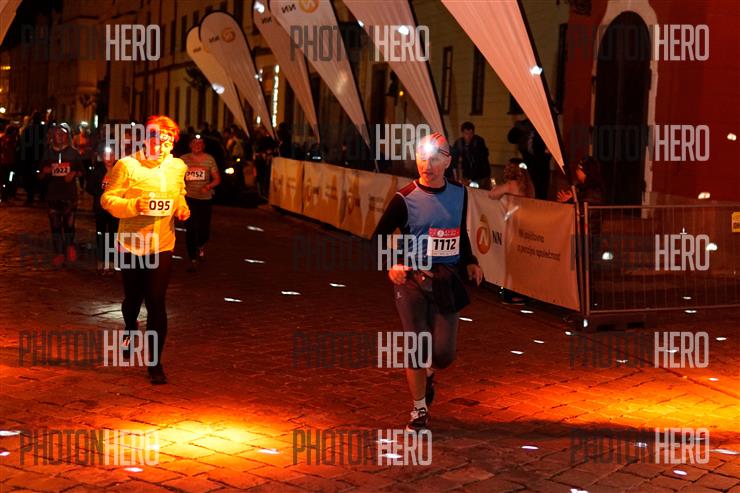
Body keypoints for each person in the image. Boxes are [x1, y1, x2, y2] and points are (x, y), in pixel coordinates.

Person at [373, 132, 483, 431]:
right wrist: (393, 264)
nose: (427, 165)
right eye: (422, 158)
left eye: (435, 159)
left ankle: (431, 373)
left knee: (444, 354)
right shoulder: (405, 198)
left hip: (447, 280)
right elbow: (378, 237)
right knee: (417, 345)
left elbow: (459, 231)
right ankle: (419, 409)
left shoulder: (460, 194)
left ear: (447, 162)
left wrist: (470, 261)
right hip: (411, 282)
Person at [101, 115, 190, 385]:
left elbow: (179, 193)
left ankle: (155, 363)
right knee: (132, 299)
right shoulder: (127, 165)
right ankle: (130, 328)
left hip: (162, 244)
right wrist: (133, 206)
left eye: (167, 141)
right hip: (131, 243)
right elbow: (107, 199)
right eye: (155, 139)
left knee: (156, 300)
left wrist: (182, 208)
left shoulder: (177, 167)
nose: (160, 145)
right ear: (146, 139)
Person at [488, 158, 535, 304]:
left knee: (513, 260)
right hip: (527, 225)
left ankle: (514, 293)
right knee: (524, 261)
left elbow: (492, 194)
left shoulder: (511, 185)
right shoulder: (528, 186)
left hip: (515, 226)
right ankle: (525, 292)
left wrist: (496, 187)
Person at [39, 123, 84, 267]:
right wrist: (44, 171)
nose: (59, 136)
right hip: (52, 194)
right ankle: (59, 253)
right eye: (57, 133)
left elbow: (82, 172)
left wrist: (74, 173)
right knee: (55, 226)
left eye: (62, 134)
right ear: (53, 136)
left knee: (69, 224)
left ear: (67, 136)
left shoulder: (73, 153)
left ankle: (70, 246)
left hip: (69, 195)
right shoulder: (48, 153)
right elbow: (39, 173)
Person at [181, 135, 220, 271]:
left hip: (204, 200)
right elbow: (177, 177)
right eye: (194, 143)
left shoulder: (209, 159)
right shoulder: (183, 159)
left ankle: (201, 245)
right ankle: (192, 259)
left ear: (203, 146)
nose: (197, 145)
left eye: (200, 143)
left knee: (204, 230)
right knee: (190, 229)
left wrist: (208, 187)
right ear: (190, 145)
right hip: (189, 198)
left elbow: (217, 179)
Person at [86, 144, 119, 274]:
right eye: (106, 155)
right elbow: (89, 188)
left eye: (112, 155)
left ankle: (112, 261)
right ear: (102, 157)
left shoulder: (119, 171)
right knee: (101, 234)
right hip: (100, 209)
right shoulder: (97, 171)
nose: (109, 158)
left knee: (113, 235)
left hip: (115, 208)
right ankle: (101, 261)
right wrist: (101, 193)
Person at [452, 122, 491, 189]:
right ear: (462, 133)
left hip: (481, 175)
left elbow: (481, 161)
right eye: (466, 133)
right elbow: (454, 160)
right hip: (467, 176)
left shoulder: (479, 142)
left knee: (482, 191)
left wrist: (470, 180)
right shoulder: (458, 143)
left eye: (471, 133)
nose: (469, 136)